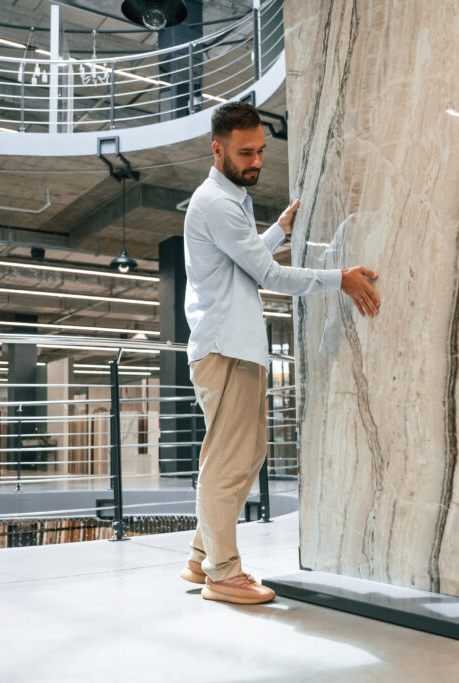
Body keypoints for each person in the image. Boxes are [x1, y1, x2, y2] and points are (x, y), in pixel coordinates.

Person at [178, 101, 381, 605]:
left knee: (239, 458)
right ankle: (223, 574)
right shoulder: (217, 202)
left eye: (261, 151)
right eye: (245, 153)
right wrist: (341, 278)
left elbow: (242, 262)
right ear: (217, 149)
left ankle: (201, 555)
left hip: (231, 346)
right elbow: (268, 276)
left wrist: (277, 232)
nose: (256, 161)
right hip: (227, 349)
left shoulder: (228, 201)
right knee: (231, 462)